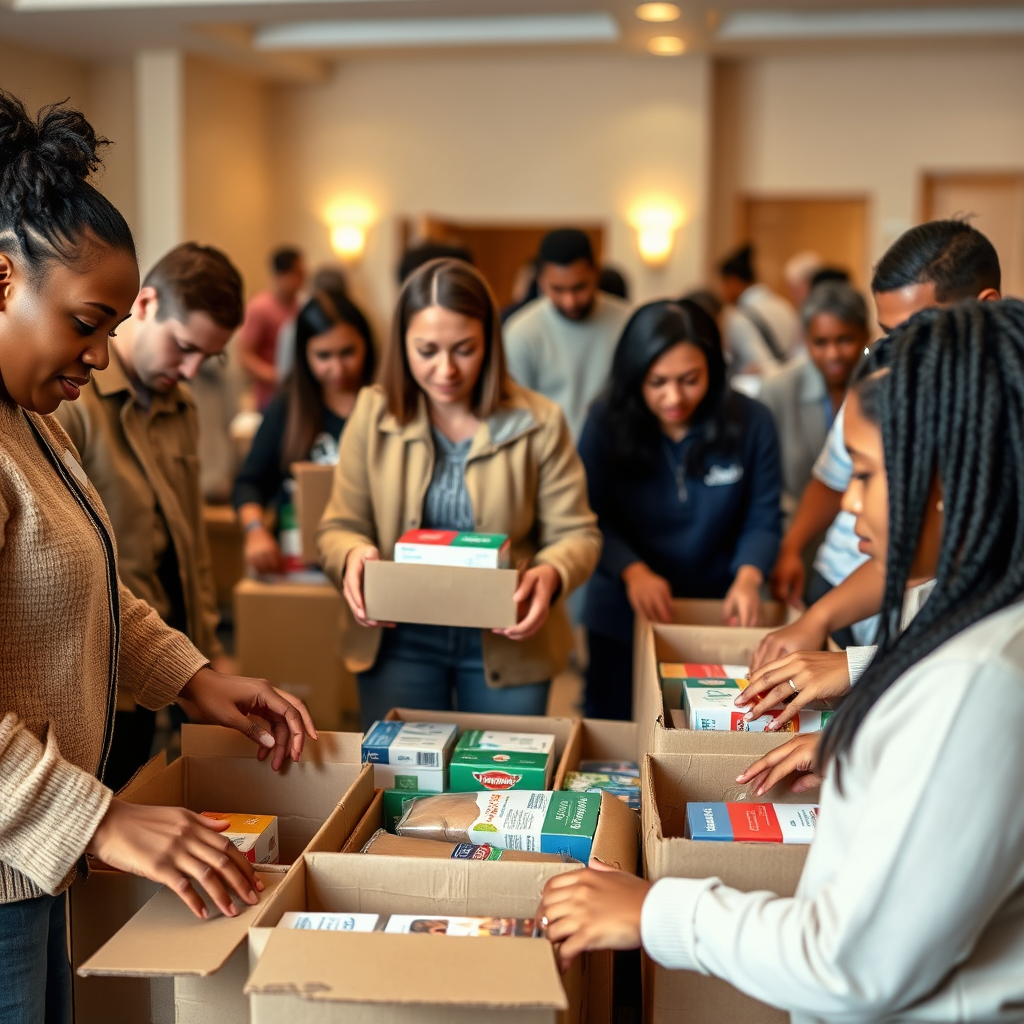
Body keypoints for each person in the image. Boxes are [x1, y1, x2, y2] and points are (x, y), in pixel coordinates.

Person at [538, 299, 1024, 1022]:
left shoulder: (979, 681)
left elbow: (850, 964)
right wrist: (854, 742)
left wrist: (656, 910)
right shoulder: (979, 615)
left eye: (863, 475)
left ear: (945, 482)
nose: (849, 508)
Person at [0, 92, 315, 1024]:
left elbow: (86, 589)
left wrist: (194, 680)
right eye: (88, 323)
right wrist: (100, 818)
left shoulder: (35, 425)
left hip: (30, 862)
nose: (101, 356)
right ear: (3, 281)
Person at [317, 258, 601, 727]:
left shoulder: (539, 420)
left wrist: (552, 573)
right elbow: (338, 525)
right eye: (426, 350)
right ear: (401, 345)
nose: (445, 369)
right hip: (399, 636)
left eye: (464, 349)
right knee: (401, 786)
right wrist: (351, 554)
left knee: (504, 788)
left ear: (490, 342)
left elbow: (579, 535)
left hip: (507, 637)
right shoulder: (373, 412)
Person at [761, 219, 1001, 659]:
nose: (902, 352)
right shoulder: (885, 383)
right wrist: (815, 614)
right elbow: (834, 483)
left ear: (985, 307)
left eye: (921, 329)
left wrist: (858, 671)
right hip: (858, 595)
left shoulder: (1001, 419)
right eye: (891, 336)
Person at [55, 242, 244, 792]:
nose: (189, 370)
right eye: (183, 348)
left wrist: (210, 656)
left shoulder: (178, 405)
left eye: (205, 360)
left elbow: (192, 548)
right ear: (147, 304)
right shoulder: (71, 401)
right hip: (99, 667)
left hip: (166, 649)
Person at [577, 300, 782, 720]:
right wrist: (632, 570)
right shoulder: (604, 422)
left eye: (690, 380)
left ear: (714, 368)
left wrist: (749, 576)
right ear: (634, 377)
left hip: (715, 613)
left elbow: (763, 514)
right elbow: (588, 516)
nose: (674, 397)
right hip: (623, 610)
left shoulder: (752, 421)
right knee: (614, 731)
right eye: (657, 382)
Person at [234, 288, 375, 576]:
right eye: (323, 356)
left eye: (347, 352)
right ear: (304, 354)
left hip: (369, 561)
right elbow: (249, 483)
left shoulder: (385, 405)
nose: (337, 368)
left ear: (366, 346)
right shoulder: (288, 405)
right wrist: (255, 530)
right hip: (298, 562)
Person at [504, 228, 631, 441]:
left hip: (614, 458)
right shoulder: (521, 332)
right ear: (541, 281)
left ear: (596, 273)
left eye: (579, 287)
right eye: (558, 289)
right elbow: (517, 416)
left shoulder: (627, 321)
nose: (569, 301)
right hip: (548, 461)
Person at [759, 282, 869, 520]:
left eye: (845, 340)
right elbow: (765, 485)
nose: (833, 354)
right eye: (820, 343)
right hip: (796, 528)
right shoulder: (778, 391)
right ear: (806, 341)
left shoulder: (879, 383)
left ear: (865, 334)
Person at [236, 246, 306, 411]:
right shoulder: (260, 308)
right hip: (270, 397)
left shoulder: (301, 305)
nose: (303, 279)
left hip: (297, 394)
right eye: (298, 273)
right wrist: (276, 376)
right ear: (281, 275)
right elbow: (245, 356)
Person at [719, 243, 801, 375]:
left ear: (733, 282)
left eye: (723, 285)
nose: (722, 292)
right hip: (791, 385)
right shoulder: (784, 305)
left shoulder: (738, 317)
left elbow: (758, 367)